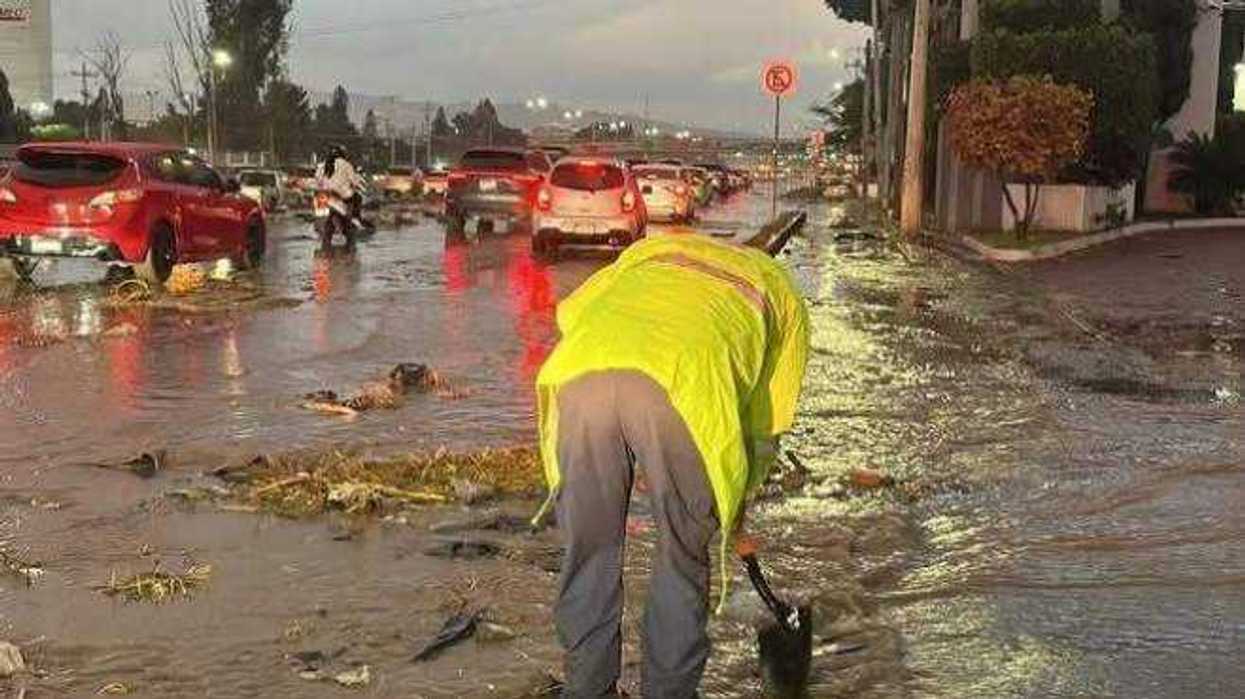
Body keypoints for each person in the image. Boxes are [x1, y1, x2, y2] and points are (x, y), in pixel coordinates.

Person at [535, 233, 810, 697]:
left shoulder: (647, 255)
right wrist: (737, 499)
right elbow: (765, 423)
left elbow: (572, 311)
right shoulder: (781, 293)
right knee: (681, 555)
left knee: (590, 549)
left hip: (580, 375)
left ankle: (586, 689)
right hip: (684, 387)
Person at [315, 143, 370, 229]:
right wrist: (358, 185)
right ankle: (355, 218)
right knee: (357, 198)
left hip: (324, 194)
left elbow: (317, 179)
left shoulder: (322, 165)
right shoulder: (346, 165)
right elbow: (354, 180)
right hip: (341, 194)